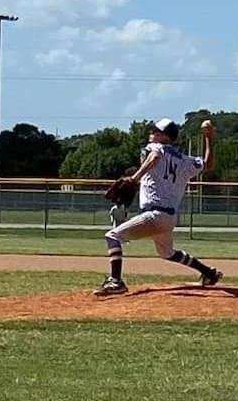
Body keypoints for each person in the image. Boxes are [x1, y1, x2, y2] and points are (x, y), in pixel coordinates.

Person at [94, 117, 222, 296]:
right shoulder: (185, 160)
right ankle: (209, 273)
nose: (151, 133)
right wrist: (209, 138)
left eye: (155, 131)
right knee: (167, 253)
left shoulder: (155, 147)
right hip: (169, 218)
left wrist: (135, 179)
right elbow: (208, 164)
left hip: (154, 215)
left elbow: (155, 156)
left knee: (112, 236)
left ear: (165, 136)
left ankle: (116, 281)